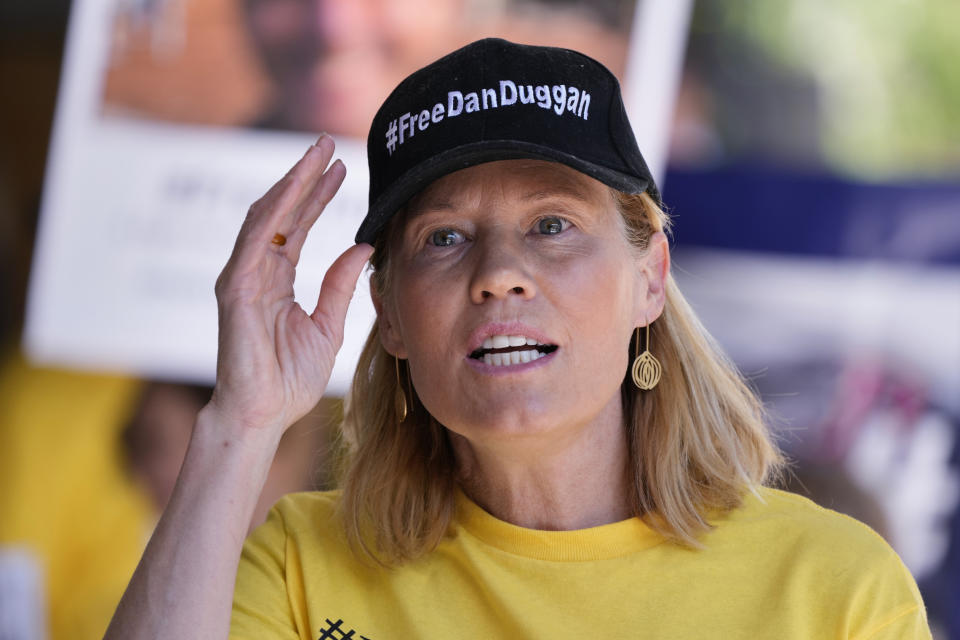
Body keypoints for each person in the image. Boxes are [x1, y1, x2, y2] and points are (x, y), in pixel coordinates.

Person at [105, 38, 931, 639]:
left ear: (650, 278)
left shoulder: (833, 588)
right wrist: (242, 421)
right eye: (444, 237)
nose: (501, 273)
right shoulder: (297, 563)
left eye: (551, 224)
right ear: (388, 313)